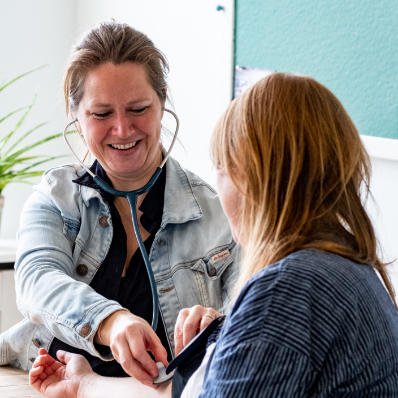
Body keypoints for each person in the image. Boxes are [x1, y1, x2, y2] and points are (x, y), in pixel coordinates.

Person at [29, 72, 398, 397]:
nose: (122, 128)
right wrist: (84, 384)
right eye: (102, 113)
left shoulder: (287, 290)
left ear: (250, 178)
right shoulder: (348, 266)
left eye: (219, 167)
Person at [0, 21, 239, 388]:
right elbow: (36, 280)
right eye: (101, 114)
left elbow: (253, 318)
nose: (123, 130)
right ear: (77, 119)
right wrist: (111, 321)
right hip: (41, 384)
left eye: (138, 108)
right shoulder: (55, 196)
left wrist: (216, 328)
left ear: (162, 104)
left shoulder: (219, 214)